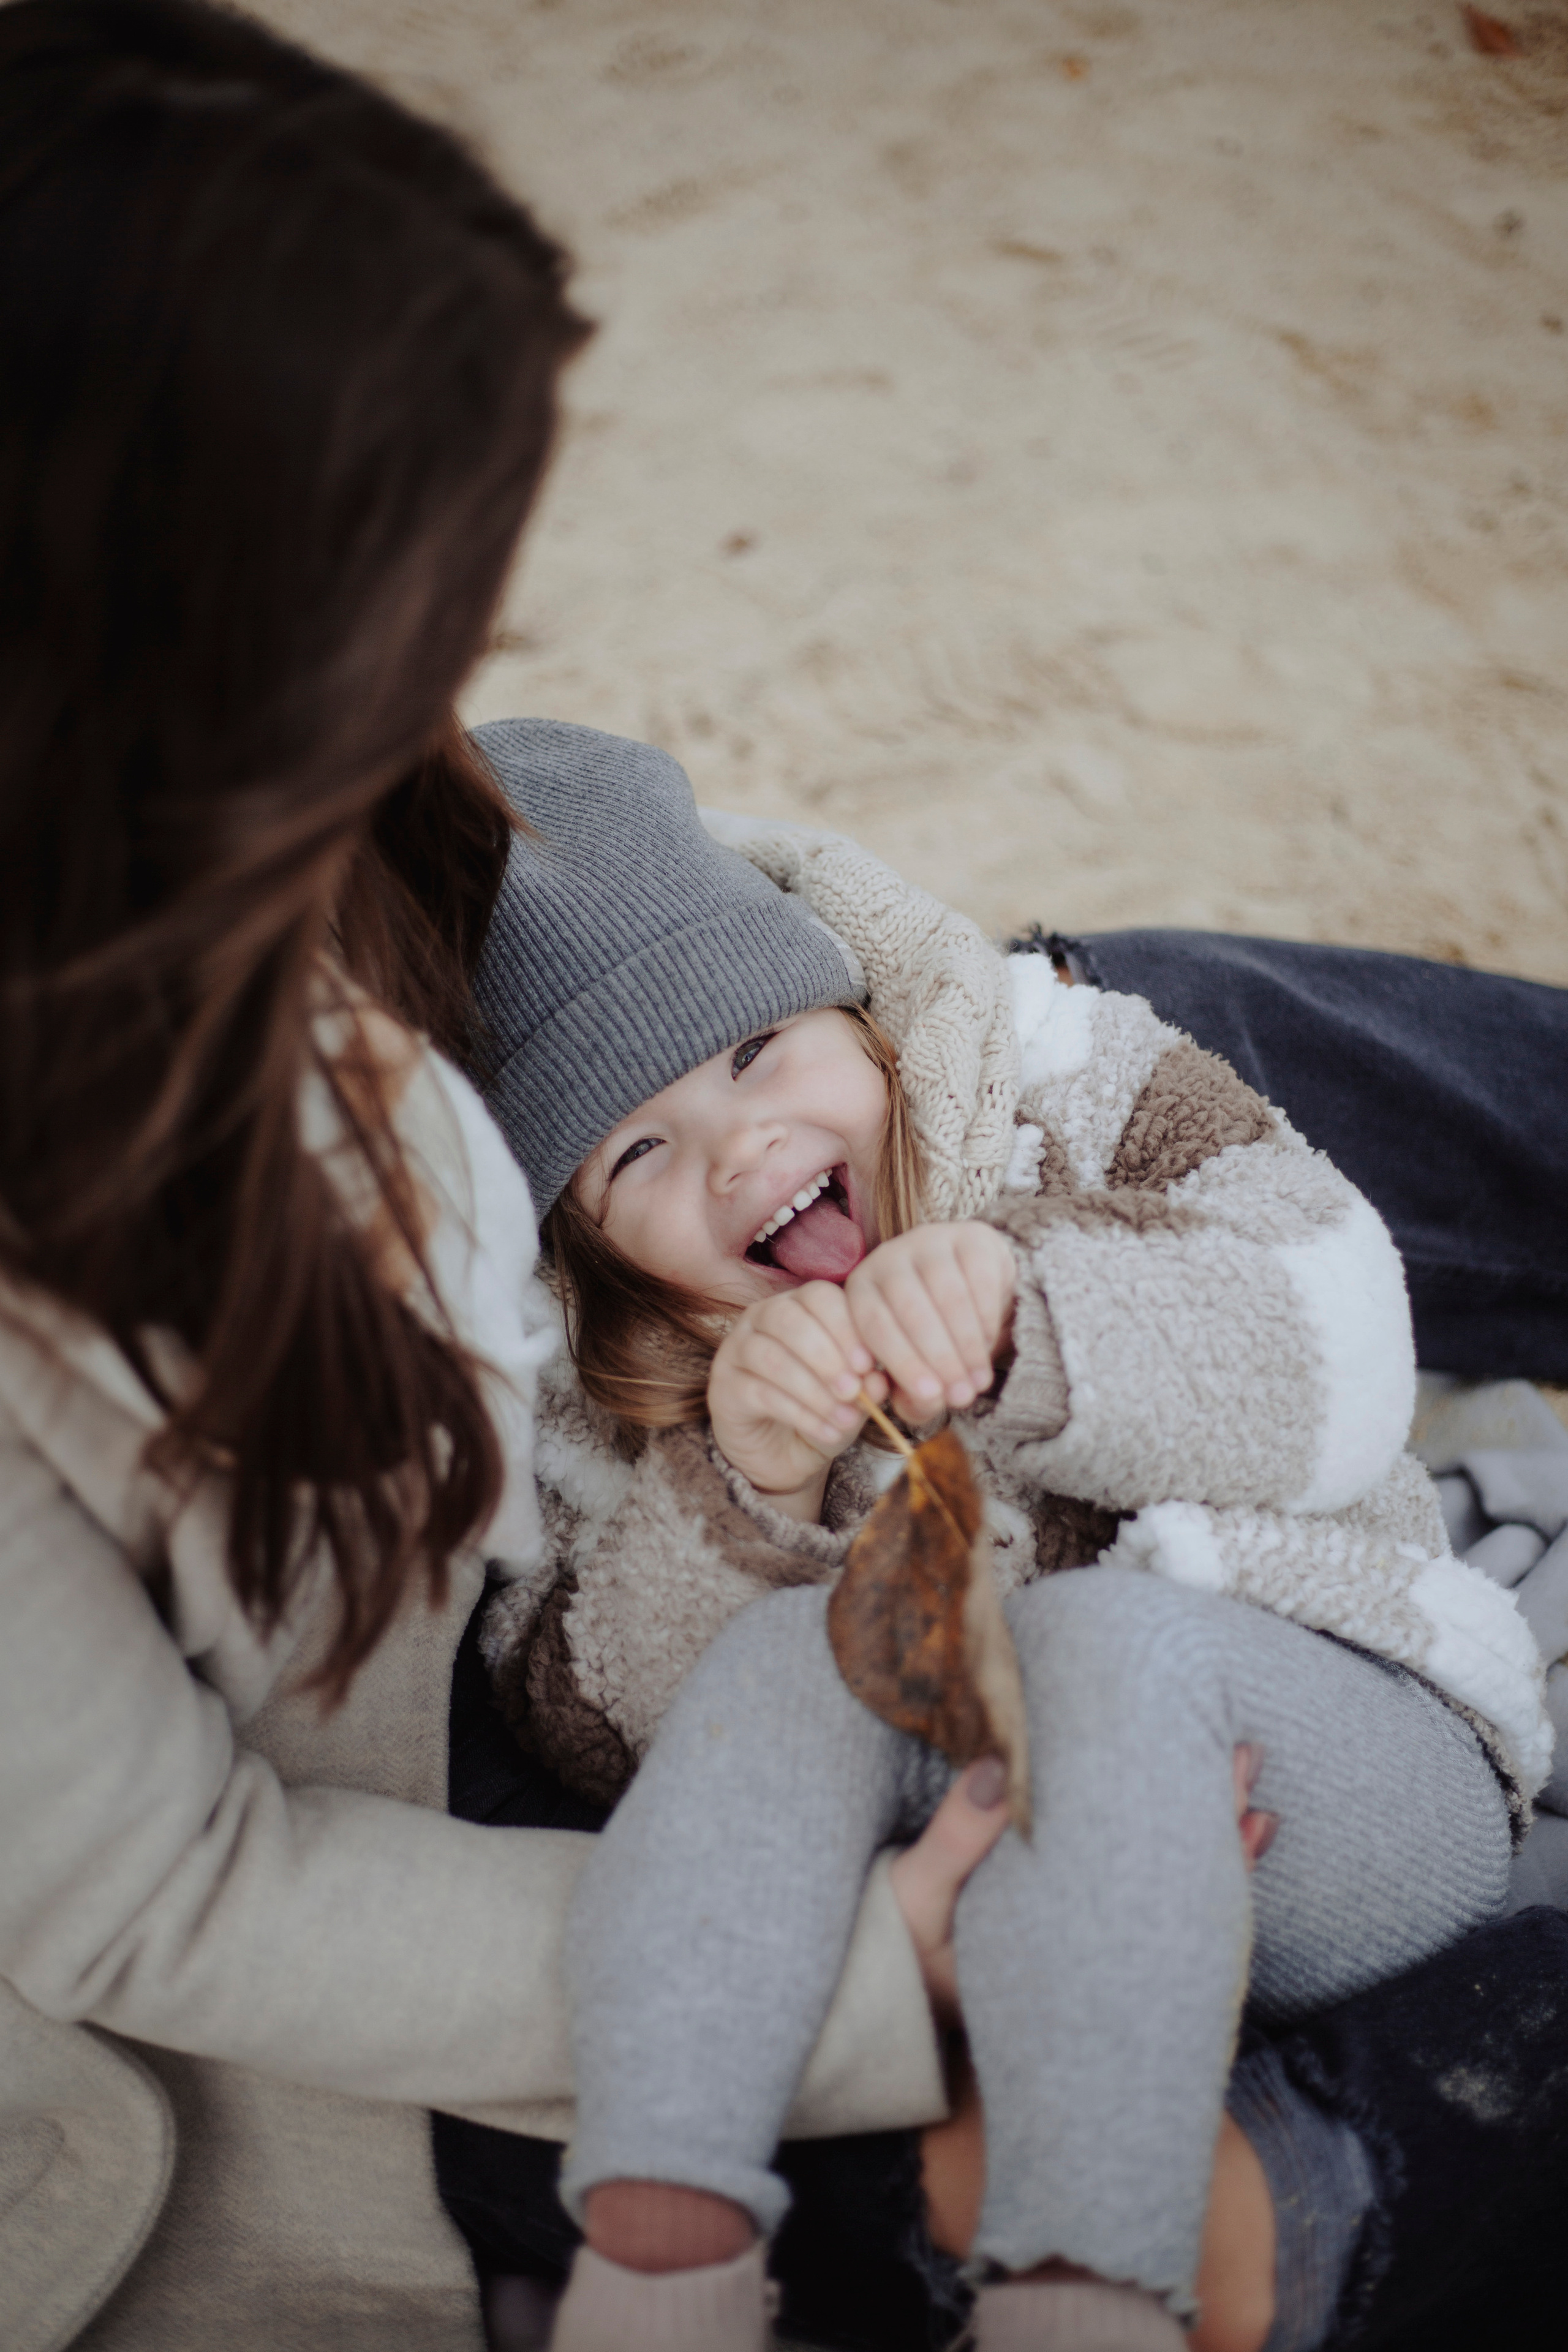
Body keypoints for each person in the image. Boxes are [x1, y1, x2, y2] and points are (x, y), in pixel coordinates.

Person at [0, 10, 969, 2348]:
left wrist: (892, 1026)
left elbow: (607, 866)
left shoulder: (237, 827)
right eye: (412, 604)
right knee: (1247, 2118)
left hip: (533, 1488)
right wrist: (860, 1975)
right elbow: (180, 1901)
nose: (460, 649)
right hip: (395, 1991)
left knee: (1240, 1022)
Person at [455, 722, 1545, 2351]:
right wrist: (740, 1489)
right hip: (992, 1908)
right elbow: (587, 1724)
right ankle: (661, 2242)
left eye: (761, 1049)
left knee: (1096, 1634)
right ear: (586, 1244)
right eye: (638, 1152)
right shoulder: (612, 1398)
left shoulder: (1066, 1085)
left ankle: (1086, 2285)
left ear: (858, 1014)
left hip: (1339, 1760)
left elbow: (1340, 1340)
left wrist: (1034, 1320)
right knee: (769, 1670)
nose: (742, 1148)